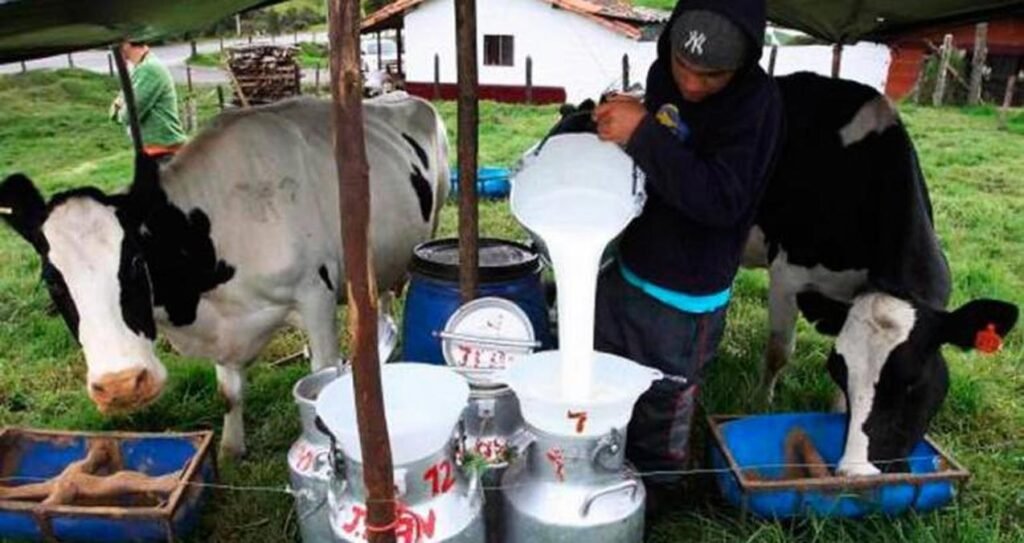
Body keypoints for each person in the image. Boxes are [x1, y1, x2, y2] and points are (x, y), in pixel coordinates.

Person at [591, 0, 784, 513]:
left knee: (663, 397)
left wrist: (642, 134)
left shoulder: (757, 107)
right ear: (669, 45)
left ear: (743, 64)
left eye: (713, 75)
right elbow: (664, 145)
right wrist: (628, 123)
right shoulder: (662, 75)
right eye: (683, 65)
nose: (693, 85)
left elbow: (721, 200)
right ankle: (601, 471)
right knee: (604, 374)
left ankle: (657, 493)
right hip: (629, 266)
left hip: (687, 295)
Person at [110, 41, 187, 160]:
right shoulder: (140, 68)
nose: (112, 49)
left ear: (126, 44)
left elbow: (129, 115)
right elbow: (117, 104)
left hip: (163, 152)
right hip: (153, 151)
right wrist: (118, 107)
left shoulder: (149, 69)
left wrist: (119, 111)